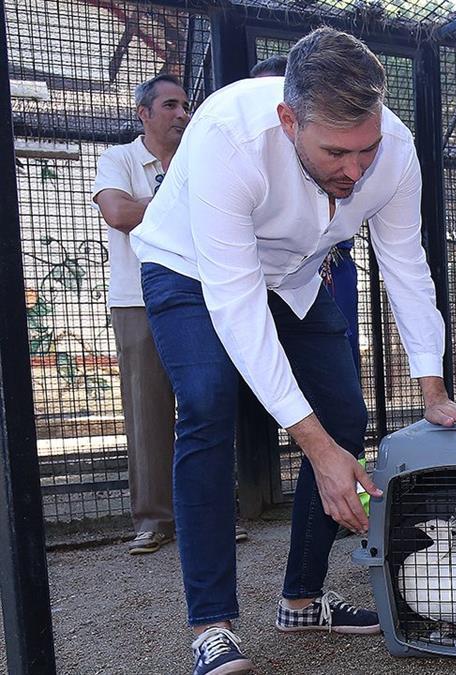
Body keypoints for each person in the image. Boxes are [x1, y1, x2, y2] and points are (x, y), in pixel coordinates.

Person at [130, 28, 456, 675]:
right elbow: (238, 305)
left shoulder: (394, 152)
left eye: (367, 148)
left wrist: (433, 389)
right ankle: (212, 626)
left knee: (344, 414)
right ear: (287, 119)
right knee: (208, 403)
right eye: (336, 151)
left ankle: (302, 599)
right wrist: (313, 444)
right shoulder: (228, 136)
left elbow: (405, 265)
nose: (355, 170)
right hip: (192, 268)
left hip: (296, 274)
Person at [92, 75, 249, 556]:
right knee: (147, 410)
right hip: (135, 298)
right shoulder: (117, 158)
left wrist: (149, 206)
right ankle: (154, 519)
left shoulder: (198, 158)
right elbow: (117, 213)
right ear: (144, 113)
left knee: (209, 403)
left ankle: (220, 512)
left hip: (196, 295)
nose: (182, 113)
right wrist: (174, 202)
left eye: (186, 105)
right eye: (170, 105)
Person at [251, 54, 361, 370]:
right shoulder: (248, 153)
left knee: (336, 363)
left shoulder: (335, 151)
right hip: (257, 277)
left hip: (326, 269)